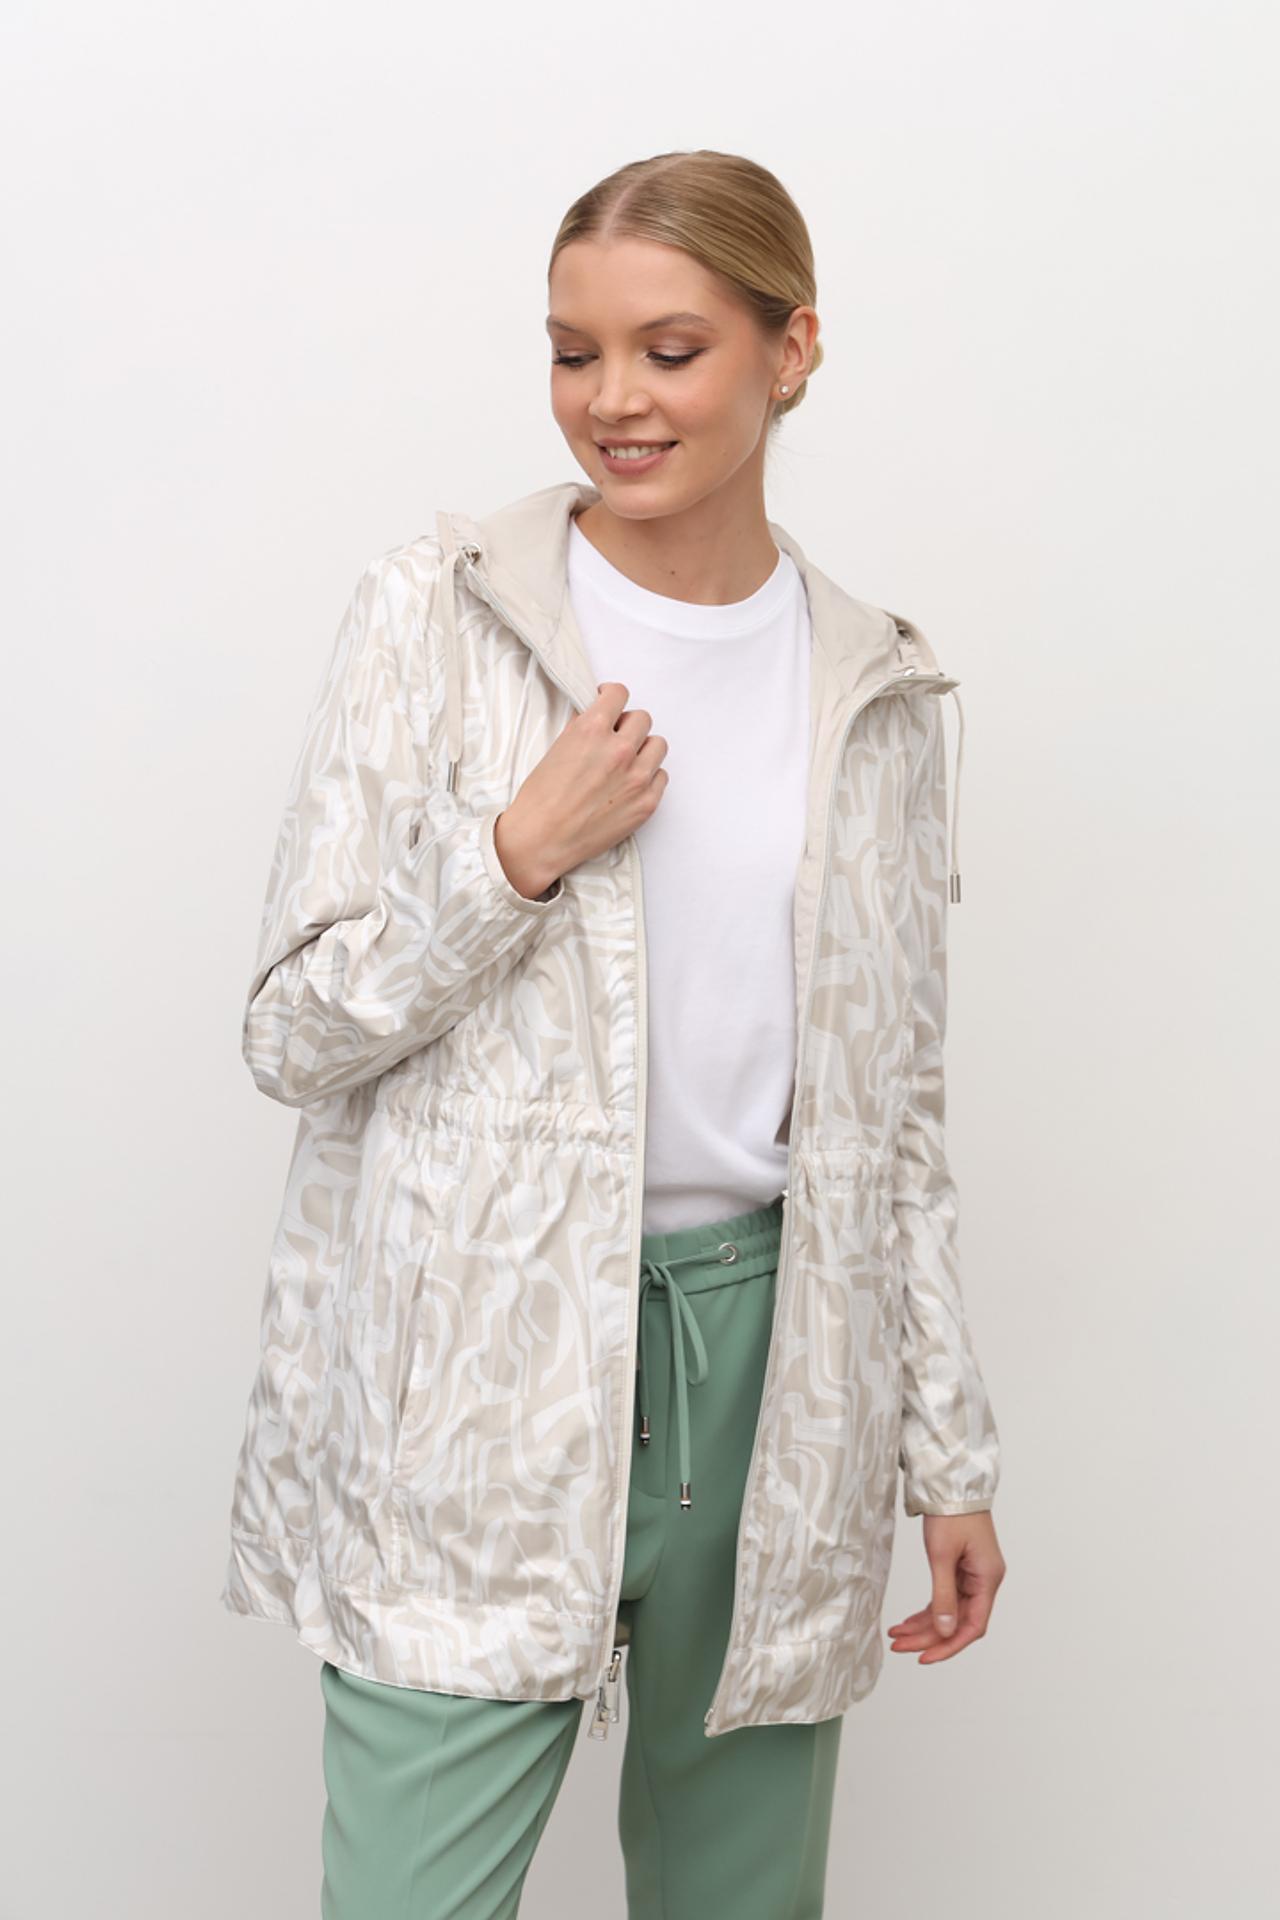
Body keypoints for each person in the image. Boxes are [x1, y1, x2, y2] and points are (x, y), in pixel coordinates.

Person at [219, 146, 1007, 1919]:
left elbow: (892, 1117)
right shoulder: (439, 615)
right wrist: (512, 857)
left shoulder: (875, 683)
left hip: (781, 1364)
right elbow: (290, 1032)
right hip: (477, 1363)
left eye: (671, 350)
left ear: (792, 349)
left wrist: (948, 1454)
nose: (612, 400)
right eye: (574, 353)